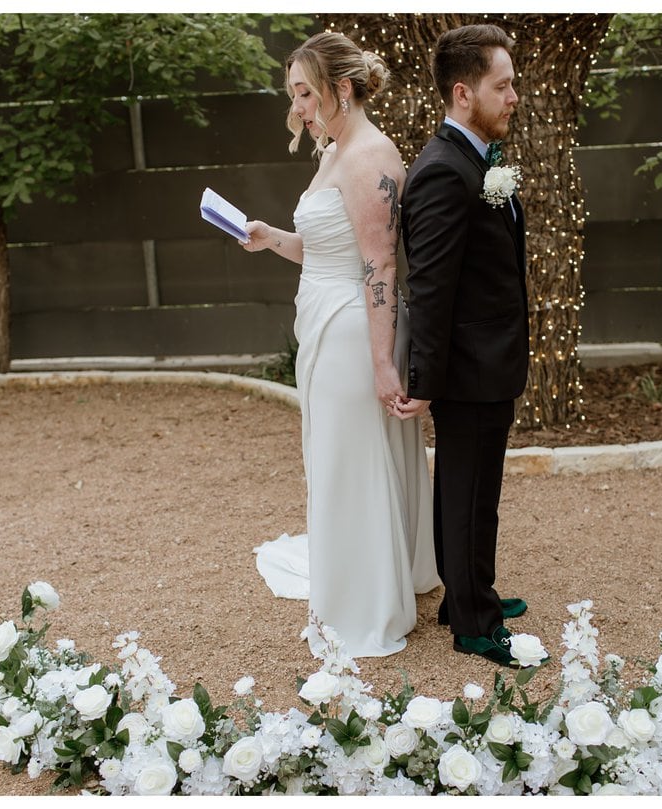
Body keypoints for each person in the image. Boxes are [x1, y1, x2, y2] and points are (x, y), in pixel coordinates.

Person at [242, 31, 440, 658]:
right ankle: (381, 570)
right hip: (325, 313)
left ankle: (366, 601)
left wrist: (385, 365)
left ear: (342, 88)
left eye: (305, 92)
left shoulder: (370, 158)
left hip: (357, 328)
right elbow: (328, 250)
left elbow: (380, 267)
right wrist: (270, 236)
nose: (298, 106)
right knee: (337, 452)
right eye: (294, 94)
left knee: (347, 457)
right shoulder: (333, 152)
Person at [394, 24, 537, 667]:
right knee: (468, 489)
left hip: (489, 361)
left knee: (474, 487)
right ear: (462, 92)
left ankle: (469, 593)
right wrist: (423, 380)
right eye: (502, 86)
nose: (514, 97)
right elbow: (429, 287)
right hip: (467, 369)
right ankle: (472, 624)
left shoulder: (477, 160)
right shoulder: (443, 173)